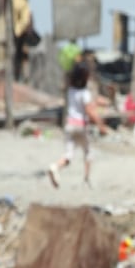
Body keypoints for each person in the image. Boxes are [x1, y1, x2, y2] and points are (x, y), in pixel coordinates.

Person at [48, 60, 109, 188]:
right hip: (80, 126)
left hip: (69, 124)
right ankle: (86, 179)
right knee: (88, 152)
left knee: (68, 154)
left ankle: (55, 166)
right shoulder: (84, 93)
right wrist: (101, 125)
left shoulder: (70, 91)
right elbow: (89, 111)